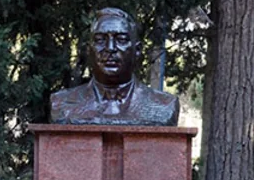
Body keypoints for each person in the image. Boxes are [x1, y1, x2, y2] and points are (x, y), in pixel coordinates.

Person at [49, 7, 179, 126]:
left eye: (121, 40)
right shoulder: (61, 103)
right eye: (100, 40)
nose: (110, 48)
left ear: (137, 50)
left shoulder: (164, 105)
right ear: (89, 50)